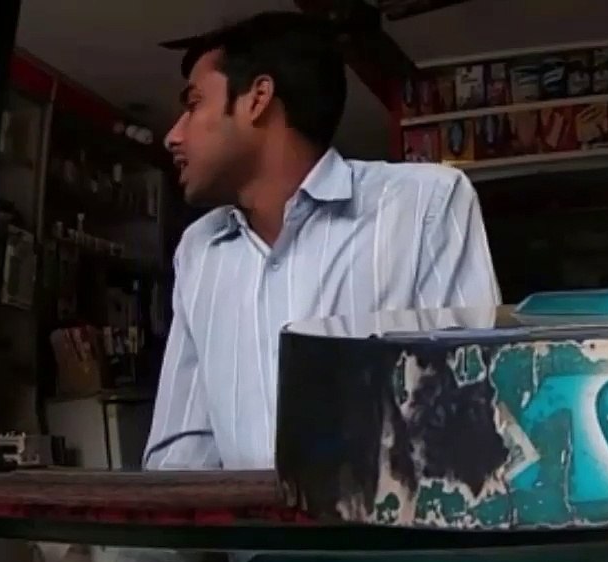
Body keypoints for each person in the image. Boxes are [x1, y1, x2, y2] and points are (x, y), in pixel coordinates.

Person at [144, 12, 500, 471]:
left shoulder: (422, 206)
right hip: (250, 543)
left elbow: (468, 420)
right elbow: (181, 453)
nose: (173, 134)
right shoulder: (200, 249)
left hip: (391, 541)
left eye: (194, 104)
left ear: (258, 98)